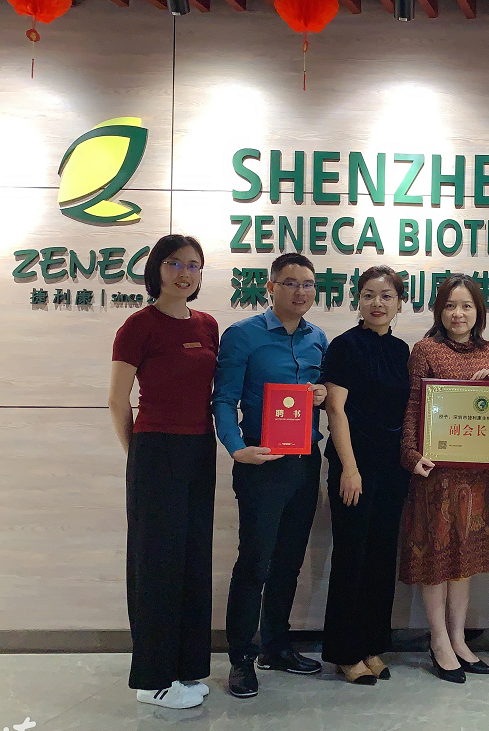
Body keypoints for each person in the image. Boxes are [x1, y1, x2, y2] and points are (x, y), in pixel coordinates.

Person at [212, 253, 329, 699]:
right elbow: (224, 398)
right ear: (271, 287)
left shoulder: (318, 339)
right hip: (261, 464)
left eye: (308, 284)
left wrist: (321, 393)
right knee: (254, 563)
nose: (300, 291)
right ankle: (241, 658)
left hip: (305, 462)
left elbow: (321, 395)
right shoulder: (243, 335)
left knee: (289, 562)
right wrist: (235, 447)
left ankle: (276, 647)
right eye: (290, 283)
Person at [109, 234, 217, 710]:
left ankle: (186, 668)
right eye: (174, 263)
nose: (184, 273)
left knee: (193, 559)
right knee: (156, 564)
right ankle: (152, 680)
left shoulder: (208, 325)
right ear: (156, 269)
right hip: (155, 450)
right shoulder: (138, 325)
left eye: (193, 265)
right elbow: (117, 399)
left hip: (200, 448)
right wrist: (137, 454)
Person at [398, 274, 489, 684]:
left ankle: (459, 639)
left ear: (479, 311)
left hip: (479, 473)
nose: (458, 314)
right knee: (437, 559)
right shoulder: (425, 349)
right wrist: (410, 455)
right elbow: (413, 405)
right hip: (436, 471)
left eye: (466, 306)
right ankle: (439, 640)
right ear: (438, 311)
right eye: (449, 306)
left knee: (465, 559)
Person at [320, 267, 411, 686]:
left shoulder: (400, 350)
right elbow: (335, 409)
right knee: (351, 557)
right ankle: (345, 652)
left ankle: (372, 646)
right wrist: (350, 468)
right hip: (354, 465)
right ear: (358, 299)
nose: (378, 303)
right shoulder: (344, 346)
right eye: (370, 294)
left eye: (387, 296)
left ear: (399, 303)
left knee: (380, 557)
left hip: (392, 468)